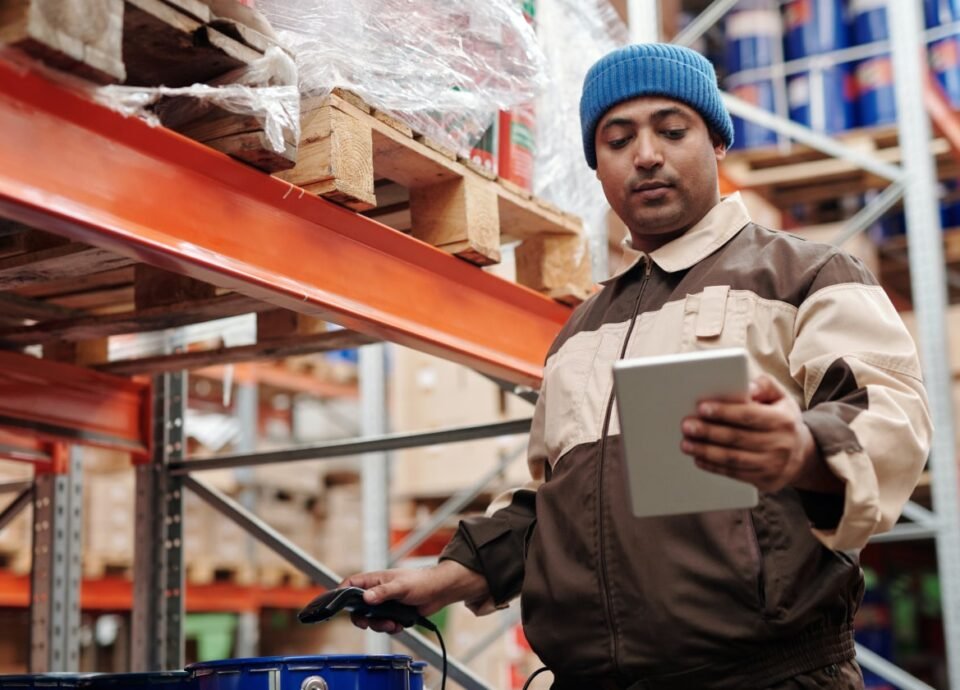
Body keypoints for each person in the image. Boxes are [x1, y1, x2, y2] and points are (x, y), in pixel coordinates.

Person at [342, 43, 932, 689]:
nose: (646, 155)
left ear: (717, 143)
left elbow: (890, 419)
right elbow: (560, 503)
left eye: (672, 131)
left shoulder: (805, 275)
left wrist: (802, 449)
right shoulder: (581, 331)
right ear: (597, 167)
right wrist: (452, 576)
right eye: (618, 141)